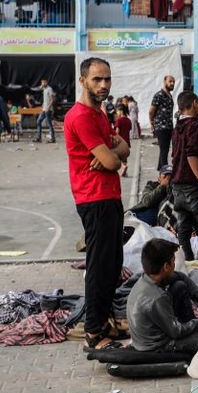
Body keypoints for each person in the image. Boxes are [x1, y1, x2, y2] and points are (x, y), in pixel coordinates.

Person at [63, 57, 130, 351]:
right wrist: (111, 157)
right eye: (97, 79)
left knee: (112, 265)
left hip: (110, 196)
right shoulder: (81, 117)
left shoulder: (100, 115)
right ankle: (93, 332)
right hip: (94, 198)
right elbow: (114, 161)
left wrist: (111, 155)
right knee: (100, 266)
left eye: (107, 79)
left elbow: (124, 148)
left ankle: (104, 322)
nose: (104, 85)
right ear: (83, 81)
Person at [126, 238, 198, 353]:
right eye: (173, 261)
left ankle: (192, 326)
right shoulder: (157, 297)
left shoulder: (147, 278)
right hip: (158, 346)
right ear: (166, 266)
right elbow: (176, 332)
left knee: (180, 285)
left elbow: (181, 276)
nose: (175, 265)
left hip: (157, 332)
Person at [171, 91, 198, 261]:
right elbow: (191, 156)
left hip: (177, 185)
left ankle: (188, 261)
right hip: (191, 184)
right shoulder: (194, 126)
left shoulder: (177, 127)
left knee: (183, 226)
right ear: (195, 103)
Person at [149, 75, 176, 170]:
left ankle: (161, 170)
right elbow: (151, 111)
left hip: (168, 127)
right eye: (170, 81)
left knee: (165, 150)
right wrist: (152, 123)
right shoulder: (159, 95)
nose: (172, 83)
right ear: (164, 81)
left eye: (173, 82)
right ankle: (165, 173)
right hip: (161, 127)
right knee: (164, 151)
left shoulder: (169, 95)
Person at [34, 77, 56, 143]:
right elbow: (45, 99)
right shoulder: (44, 89)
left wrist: (48, 107)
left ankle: (52, 138)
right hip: (44, 109)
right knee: (38, 121)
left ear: (46, 82)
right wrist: (43, 106)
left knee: (49, 123)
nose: (42, 83)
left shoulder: (49, 89)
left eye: (43, 82)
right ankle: (38, 138)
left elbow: (52, 99)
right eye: (42, 82)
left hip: (48, 109)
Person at [113, 104, 132, 177]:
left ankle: (122, 167)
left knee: (117, 156)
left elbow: (117, 132)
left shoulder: (119, 120)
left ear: (121, 111)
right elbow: (129, 130)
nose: (116, 113)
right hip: (126, 141)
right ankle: (124, 168)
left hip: (120, 142)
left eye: (117, 111)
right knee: (124, 157)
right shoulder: (128, 120)